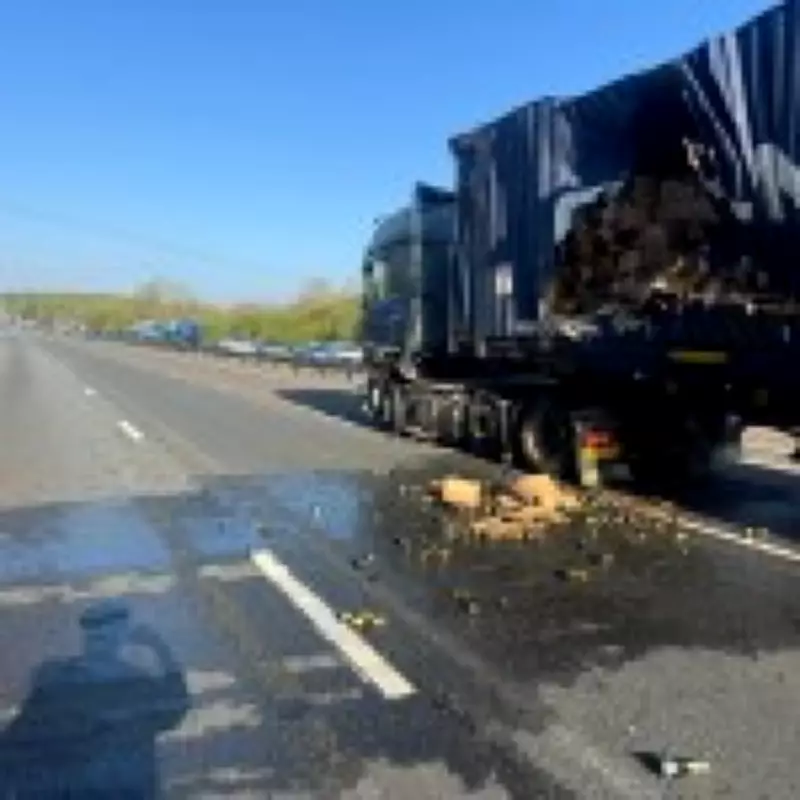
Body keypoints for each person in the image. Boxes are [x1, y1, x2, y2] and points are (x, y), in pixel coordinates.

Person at [0, 600, 189, 799]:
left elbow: (175, 707)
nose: (99, 641)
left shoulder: (135, 684)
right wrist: (159, 647)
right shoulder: (58, 679)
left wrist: (160, 647)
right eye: (97, 636)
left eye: (103, 635)